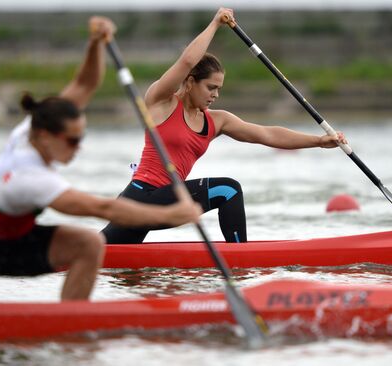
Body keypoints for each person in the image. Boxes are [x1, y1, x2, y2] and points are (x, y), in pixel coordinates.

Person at [0, 16, 201, 301]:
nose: (78, 148)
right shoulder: (29, 176)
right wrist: (170, 215)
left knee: (89, 243)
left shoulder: (34, 126)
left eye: (81, 138)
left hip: (17, 240)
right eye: (72, 141)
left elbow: (85, 84)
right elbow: (103, 207)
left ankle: (71, 326)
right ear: (46, 136)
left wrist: (95, 44)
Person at [102, 8, 347, 244]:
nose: (216, 95)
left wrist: (317, 141)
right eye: (210, 87)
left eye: (219, 89)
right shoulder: (161, 102)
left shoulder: (216, 121)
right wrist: (215, 24)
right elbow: (187, 61)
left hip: (165, 199)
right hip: (141, 196)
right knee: (228, 190)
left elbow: (267, 134)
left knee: (110, 259)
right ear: (190, 82)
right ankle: (241, 263)